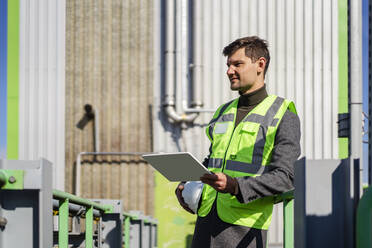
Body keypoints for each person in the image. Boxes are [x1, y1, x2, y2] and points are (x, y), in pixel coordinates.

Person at [175, 36, 301, 248]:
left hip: (244, 229)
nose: (229, 71)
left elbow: (286, 178)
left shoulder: (283, 114)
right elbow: (213, 161)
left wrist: (235, 186)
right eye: (228, 65)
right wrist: (186, 182)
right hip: (205, 219)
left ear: (260, 64)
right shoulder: (223, 112)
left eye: (237, 64)